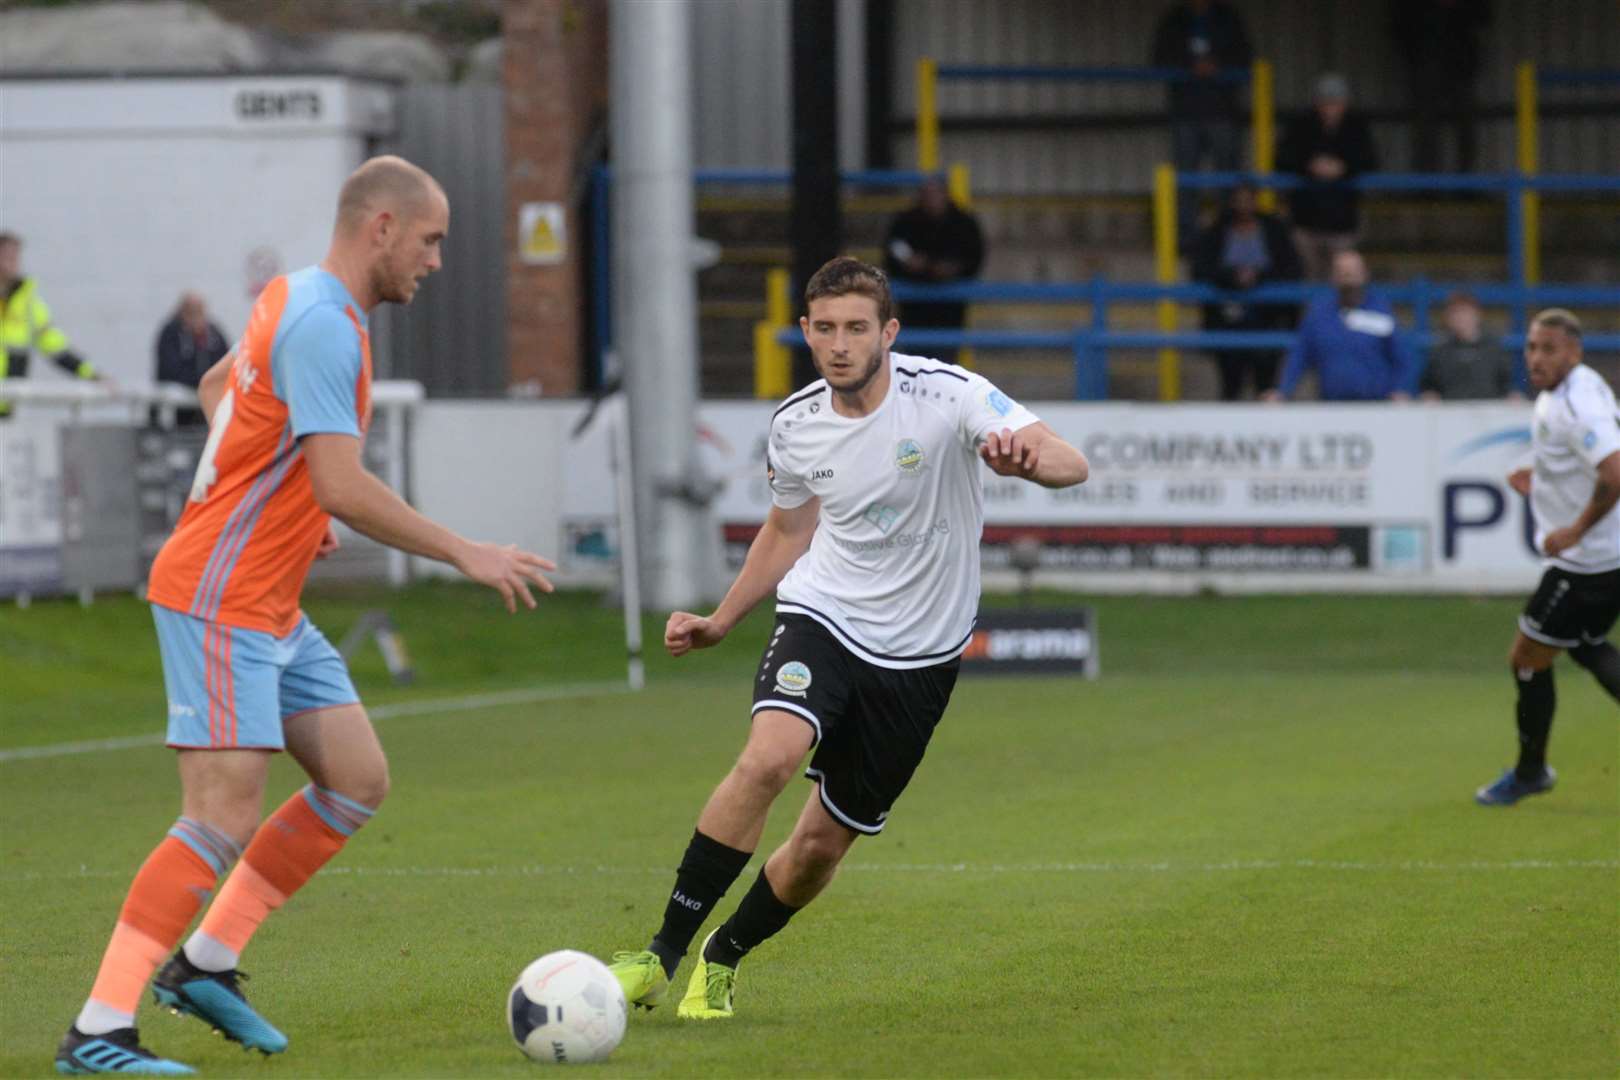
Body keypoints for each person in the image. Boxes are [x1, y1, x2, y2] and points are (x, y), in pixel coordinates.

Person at [54, 156, 559, 1076]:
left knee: (356, 780)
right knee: (221, 812)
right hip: (221, 593)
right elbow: (342, 482)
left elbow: (221, 392)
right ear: (380, 227)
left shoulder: (293, 295)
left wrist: (285, 503)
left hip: (271, 598)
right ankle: (99, 1028)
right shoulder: (326, 325)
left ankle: (206, 964)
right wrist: (465, 551)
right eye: (431, 239)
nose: (436, 260)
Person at [606, 256, 1088, 1020]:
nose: (839, 344)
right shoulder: (795, 422)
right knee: (767, 757)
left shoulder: (948, 394)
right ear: (805, 331)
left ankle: (723, 954)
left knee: (818, 851)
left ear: (887, 333)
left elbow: (1072, 461)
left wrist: (1029, 464)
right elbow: (788, 527)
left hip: (922, 657)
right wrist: (722, 617)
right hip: (824, 615)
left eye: (856, 328)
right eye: (824, 328)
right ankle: (658, 953)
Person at [1476, 309, 1620, 806]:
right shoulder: (1574, 387)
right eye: (1532, 348)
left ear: (1574, 352)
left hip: (1588, 564)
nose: (1536, 359)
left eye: (1549, 349)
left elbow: (1615, 472)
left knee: (1527, 660)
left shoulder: (1576, 405)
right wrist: (1539, 484)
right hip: (1604, 557)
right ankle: (1531, 770)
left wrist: (1574, 530)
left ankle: (1530, 772)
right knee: (1586, 645)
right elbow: (1584, 467)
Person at [1149, 0, 1253, 245]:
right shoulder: (1175, 19)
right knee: (1184, 178)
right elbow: (1159, 57)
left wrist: (1217, 65)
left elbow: (1245, 56)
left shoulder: (1228, 17)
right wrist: (1189, 66)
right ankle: (1186, 238)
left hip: (1222, 111)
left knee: (1228, 178)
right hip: (1186, 111)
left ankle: (1229, 235)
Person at [1190, 183, 1302, 400]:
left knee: (1266, 384)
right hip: (1227, 318)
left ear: (1256, 200)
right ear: (1231, 202)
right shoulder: (1216, 230)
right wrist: (1232, 278)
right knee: (1231, 384)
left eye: (1248, 199)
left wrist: (1259, 277)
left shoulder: (1274, 229)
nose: (1243, 205)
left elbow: (1292, 268)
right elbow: (1200, 269)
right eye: (1238, 199)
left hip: (1268, 318)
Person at [1266, 249, 1414, 403]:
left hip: (1376, 406)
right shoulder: (1319, 315)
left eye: (1353, 271)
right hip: (1332, 407)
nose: (1348, 277)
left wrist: (1401, 389)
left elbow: (1402, 357)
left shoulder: (1381, 311)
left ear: (1365, 274)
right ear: (1333, 277)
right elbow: (1299, 356)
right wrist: (1282, 391)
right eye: (1342, 272)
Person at [1276, 74, 1380, 280]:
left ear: (1345, 103)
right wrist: (1310, 166)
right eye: (1326, 102)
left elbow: (1370, 160)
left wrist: (1344, 167)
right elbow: (1282, 158)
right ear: (1316, 102)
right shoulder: (1301, 125)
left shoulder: (1356, 126)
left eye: (1336, 103)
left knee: (1341, 279)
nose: (1330, 109)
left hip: (1342, 219)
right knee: (1307, 278)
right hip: (1305, 218)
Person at [882, 177, 985, 364]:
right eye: (927, 195)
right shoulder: (906, 221)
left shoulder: (963, 223)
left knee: (946, 363)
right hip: (914, 307)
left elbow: (974, 256)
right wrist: (911, 265)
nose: (932, 200)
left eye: (936, 194)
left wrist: (953, 269)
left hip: (950, 308)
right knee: (913, 362)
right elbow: (893, 250)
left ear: (946, 195)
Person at [0, 230, 100, 418]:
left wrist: (91, 374)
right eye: (6, 256)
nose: (12, 263)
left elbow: (54, 345)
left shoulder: (28, 303)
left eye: (15, 257)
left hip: (7, 404)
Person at [1389, 0, 1492, 176]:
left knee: (1466, 128)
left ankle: (1466, 185)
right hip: (1426, 67)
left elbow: (1484, 17)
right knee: (1425, 130)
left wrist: (1457, 8)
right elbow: (1398, 26)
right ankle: (1427, 186)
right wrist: (1416, 57)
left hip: (1462, 68)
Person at [1419, 292, 1520, 401]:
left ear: (1477, 314)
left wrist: (1512, 395)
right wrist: (1429, 395)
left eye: (1465, 313)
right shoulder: (1440, 351)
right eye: (1455, 314)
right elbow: (1427, 386)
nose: (1461, 318)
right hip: (1450, 414)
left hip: (1489, 413)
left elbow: (1507, 384)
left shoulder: (1494, 348)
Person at [155, 292, 231, 427]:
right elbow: (168, 369)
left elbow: (226, 362)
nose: (196, 318)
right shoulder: (171, 333)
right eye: (191, 312)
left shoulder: (213, 333)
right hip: (180, 403)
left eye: (199, 312)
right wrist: (200, 380)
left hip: (208, 397)